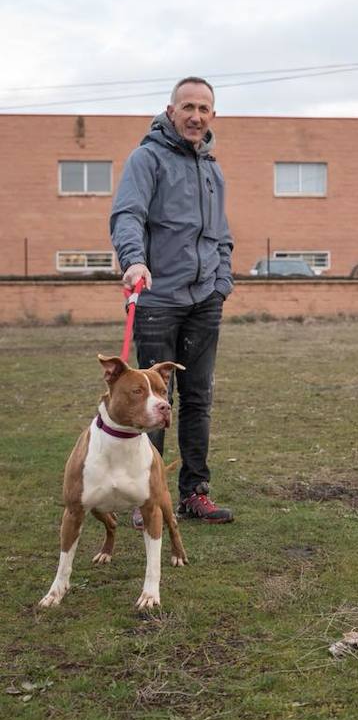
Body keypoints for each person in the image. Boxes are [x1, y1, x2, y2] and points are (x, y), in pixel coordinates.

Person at [110, 76, 235, 525]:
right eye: (188, 107)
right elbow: (128, 214)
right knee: (152, 401)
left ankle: (194, 493)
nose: (195, 116)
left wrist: (222, 280)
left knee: (198, 397)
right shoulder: (147, 158)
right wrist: (133, 261)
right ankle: (147, 497)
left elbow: (220, 233)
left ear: (212, 115)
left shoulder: (212, 169)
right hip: (158, 298)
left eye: (204, 109)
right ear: (171, 110)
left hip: (205, 300)